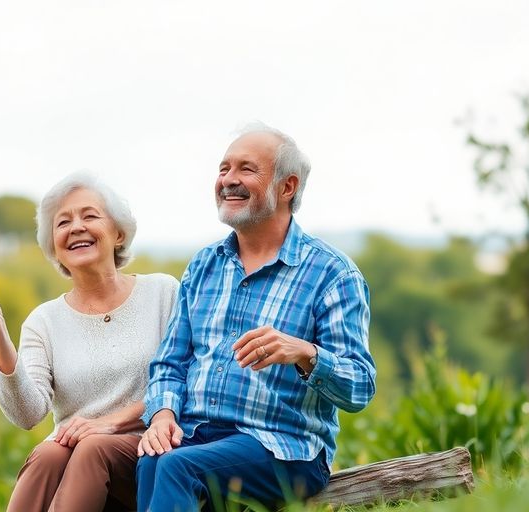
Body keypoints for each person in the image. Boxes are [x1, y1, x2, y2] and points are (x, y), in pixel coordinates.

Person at [136, 123, 377, 511]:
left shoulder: (333, 274)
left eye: (246, 169)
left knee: (177, 467)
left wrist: (305, 353)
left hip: (284, 446)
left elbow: (360, 387)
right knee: (153, 457)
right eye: (223, 168)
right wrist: (162, 415)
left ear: (287, 187)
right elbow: (170, 362)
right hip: (201, 435)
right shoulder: (203, 265)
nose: (228, 180)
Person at [0, 172, 178, 512]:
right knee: (46, 451)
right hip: (73, 458)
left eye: (90, 215)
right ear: (54, 246)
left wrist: (107, 423)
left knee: (92, 448)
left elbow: (188, 378)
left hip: (148, 447)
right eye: (63, 222)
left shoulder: (164, 293)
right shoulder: (44, 321)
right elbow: (27, 414)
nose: (76, 227)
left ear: (118, 233)